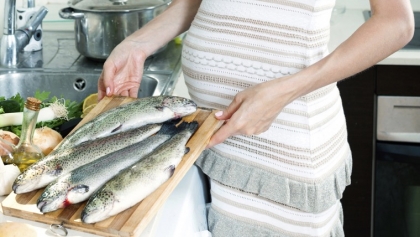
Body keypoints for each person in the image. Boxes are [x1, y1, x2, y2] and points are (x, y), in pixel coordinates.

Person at [98, 0, 414, 236]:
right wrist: (138, 44)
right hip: (216, 138)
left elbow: (396, 23)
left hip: (283, 149)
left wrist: (285, 92)